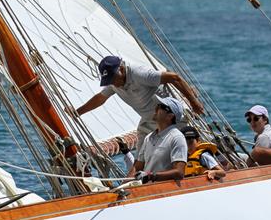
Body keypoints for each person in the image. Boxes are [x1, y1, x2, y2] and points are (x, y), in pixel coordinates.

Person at [72, 56, 204, 152]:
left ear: (122, 69)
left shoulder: (140, 74)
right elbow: (100, 98)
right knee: (142, 157)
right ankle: (140, 182)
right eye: (109, 80)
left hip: (169, 117)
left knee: (186, 150)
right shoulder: (114, 83)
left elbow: (174, 77)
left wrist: (194, 102)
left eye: (113, 78)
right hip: (149, 120)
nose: (113, 82)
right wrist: (77, 113)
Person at [127, 96, 188, 184]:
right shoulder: (148, 138)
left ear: (170, 116)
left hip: (162, 192)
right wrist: (123, 185)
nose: (155, 108)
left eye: (161, 106)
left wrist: (151, 176)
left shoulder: (177, 137)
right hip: (146, 190)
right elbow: (137, 167)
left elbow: (179, 172)